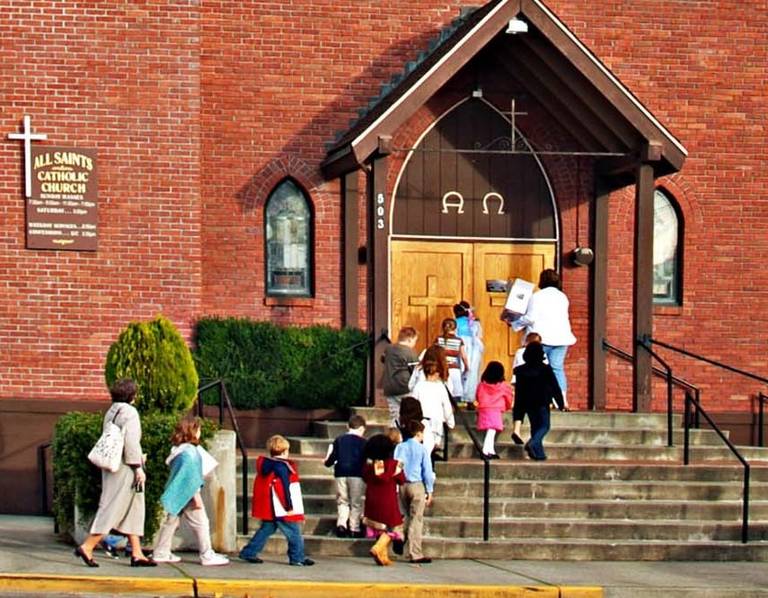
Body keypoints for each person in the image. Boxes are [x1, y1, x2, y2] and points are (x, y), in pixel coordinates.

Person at [74, 379, 156, 568]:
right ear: (132, 395)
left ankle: (137, 553)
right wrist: (138, 467)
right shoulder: (131, 413)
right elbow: (131, 442)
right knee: (113, 507)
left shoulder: (112, 410)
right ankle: (87, 546)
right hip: (125, 468)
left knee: (134, 508)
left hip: (112, 465)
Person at [152, 417, 229, 566]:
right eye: (198, 429)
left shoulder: (178, 451)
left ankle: (161, 552)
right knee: (201, 523)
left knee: (171, 522)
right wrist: (196, 498)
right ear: (193, 431)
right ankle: (207, 554)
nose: (200, 432)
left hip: (176, 492)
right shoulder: (191, 453)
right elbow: (191, 478)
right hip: (188, 494)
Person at [239, 435, 314, 566]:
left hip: (269, 505)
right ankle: (297, 557)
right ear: (285, 451)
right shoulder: (282, 467)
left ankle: (249, 552)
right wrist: (289, 507)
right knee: (294, 532)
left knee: (266, 529)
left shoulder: (266, 464)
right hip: (280, 506)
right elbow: (284, 488)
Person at [511, 269, 575, 409]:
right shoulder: (562, 297)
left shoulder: (537, 296)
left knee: (534, 368)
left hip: (542, 337)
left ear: (542, 280)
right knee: (557, 368)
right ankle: (562, 401)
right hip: (561, 337)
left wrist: (515, 323)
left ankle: (535, 398)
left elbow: (531, 318)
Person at [513, 342, 565, 460]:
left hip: (527, 402)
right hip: (542, 401)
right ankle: (533, 443)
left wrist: (518, 409)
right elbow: (555, 387)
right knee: (544, 426)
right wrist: (561, 403)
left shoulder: (520, 370)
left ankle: (538, 453)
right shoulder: (545, 369)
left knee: (535, 426)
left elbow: (519, 391)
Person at [394, 420, 435, 564]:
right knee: (416, 518)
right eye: (422, 432)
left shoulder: (400, 447)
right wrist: (429, 490)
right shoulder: (422, 449)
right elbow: (427, 472)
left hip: (402, 484)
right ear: (418, 433)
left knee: (403, 515)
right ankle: (415, 552)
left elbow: (396, 465)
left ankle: (399, 537)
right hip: (416, 484)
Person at [362, 434, 406, 566]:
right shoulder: (394, 465)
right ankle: (378, 547)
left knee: (379, 528)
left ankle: (383, 556)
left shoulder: (369, 466)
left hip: (372, 500)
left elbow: (364, 478)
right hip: (388, 500)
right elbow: (402, 480)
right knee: (393, 528)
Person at [323, 414, 367, 538]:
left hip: (340, 473)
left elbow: (332, 458)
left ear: (347, 426)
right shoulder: (363, 442)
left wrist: (327, 463)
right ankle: (354, 527)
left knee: (342, 500)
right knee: (356, 502)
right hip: (357, 474)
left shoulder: (339, 440)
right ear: (362, 428)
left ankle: (341, 524)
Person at [410, 346, 455, 459]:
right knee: (432, 441)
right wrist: (450, 421)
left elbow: (412, 395)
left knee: (424, 441)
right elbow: (447, 404)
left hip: (422, 418)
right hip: (436, 419)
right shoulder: (441, 385)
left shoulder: (418, 383)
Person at [510, 332, 544, 445]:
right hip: (535, 384)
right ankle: (534, 439)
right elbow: (545, 368)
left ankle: (516, 430)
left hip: (521, 380)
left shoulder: (519, 352)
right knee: (535, 412)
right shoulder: (541, 353)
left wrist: (514, 380)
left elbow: (515, 366)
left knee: (519, 407)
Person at [381, 327, 420, 426]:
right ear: (410, 339)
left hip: (389, 386)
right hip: (404, 387)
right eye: (415, 341)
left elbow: (383, 359)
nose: (414, 344)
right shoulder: (410, 352)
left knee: (394, 415)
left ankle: (394, 436)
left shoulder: (388, 349)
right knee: (408, 414)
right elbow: (415, 371)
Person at [474, 361, 512, 458]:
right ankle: (486, 451)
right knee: (491, 431)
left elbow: (478, 396)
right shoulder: (503, 386)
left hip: (484, 409)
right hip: (495, 410)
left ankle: (491, 450)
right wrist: (507, 406)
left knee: (491, 430)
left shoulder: (481, 385)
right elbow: (508, 397)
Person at [454, 301, 484, 406]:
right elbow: (479, 336)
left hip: (460, 345)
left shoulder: (455, 322)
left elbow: (454, 334)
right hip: (474, 347)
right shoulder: (475, 323)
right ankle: (470, 399)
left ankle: (458, 395)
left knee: (459, 370)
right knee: (473, 372)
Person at [435, 318, 469, 402]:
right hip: (454, 369)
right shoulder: (458, 340)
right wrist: (467, 367)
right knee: (456, 394)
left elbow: (434, 353)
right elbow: (463, 356)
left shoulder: (438, 339)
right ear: (455, 328)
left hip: (441, 368)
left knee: (443, 392)